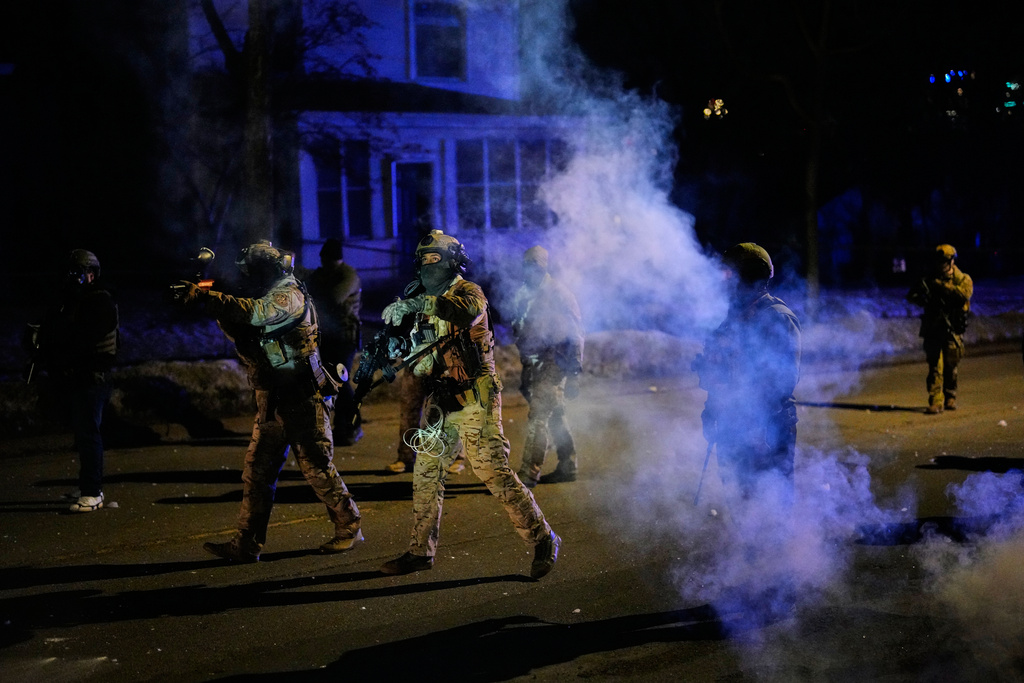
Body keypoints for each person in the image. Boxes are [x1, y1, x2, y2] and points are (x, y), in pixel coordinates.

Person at [377, 229, 560, 578]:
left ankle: (543, 537)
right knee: (427, 473)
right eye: (424, 261)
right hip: (442, 398)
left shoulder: (468, 292)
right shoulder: (426, 301)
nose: (429, 268)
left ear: (450, 262)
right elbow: (426, 353)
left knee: (494, 473)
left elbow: (462, 314)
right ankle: (420, 551)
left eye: (435, 260)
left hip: (475, 395)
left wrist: (421, 303)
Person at [174, 240, 362, 562]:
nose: (248, 279)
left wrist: (209, 296)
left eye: (253, 272)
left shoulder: (288, 294)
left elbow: (256, 313)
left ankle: (349, 526)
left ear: (267, 269)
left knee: (317, 469)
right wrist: (211, 301)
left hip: (304, 398)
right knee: (257, 474)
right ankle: (246, 544)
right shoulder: (272, 293)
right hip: (275, 400)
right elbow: (245, 330)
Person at [695, 243, 801, 501]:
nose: (723, 283)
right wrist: (712, 408)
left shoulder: (776, 318)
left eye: (729, 275)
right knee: (738, 498)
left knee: (769, 499)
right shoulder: (730, 320)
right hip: (733, 425)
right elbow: (719, 374)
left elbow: (781, 380)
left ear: (749, 276)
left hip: (767, 427)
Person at [31, 249, 119, 513]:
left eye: (78, 273)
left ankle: (93, 492)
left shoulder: (100, 300)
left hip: (93, 377)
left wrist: (57, 343)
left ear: (91, 275)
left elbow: (82, 337)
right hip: (77, 377)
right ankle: (87, 487)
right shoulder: (74, 299)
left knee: (88, 434)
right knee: (82, 434)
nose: (72, 278)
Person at [512, 245, 584, 488]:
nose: (529, 269)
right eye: (527, 264)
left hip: (555, 362)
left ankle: (528, 473)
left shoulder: (559, 294)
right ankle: (568, 464)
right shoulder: (524, 293)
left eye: (535, 264)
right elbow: (520, 328)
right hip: (533, 364)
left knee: (539, 417)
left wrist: (574, 374)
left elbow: (575, 336)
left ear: (543, 266)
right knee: (555, 414)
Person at [305, 238, 363, 445]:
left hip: (345, 336)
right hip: (327, 335)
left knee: (340, 380)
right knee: (328, 381)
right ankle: (339, 426)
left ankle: (351, 424)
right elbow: (307, 293)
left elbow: (334, 297)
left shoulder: (347, 275)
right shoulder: (322, 274)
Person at [906, 244, 973, 414]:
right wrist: (925, 298)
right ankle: (936, 400)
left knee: (951, 366)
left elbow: (962, 295)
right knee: (935, 366)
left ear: (951, 261)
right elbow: (912, 296)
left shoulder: (962, 279)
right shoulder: (929, 279)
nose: (941, 264)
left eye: (944, 260)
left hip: (952, 330)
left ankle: (950, 396)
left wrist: (941, 287)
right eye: (939, 260)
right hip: (934, 328)